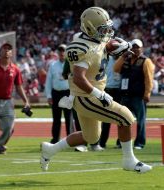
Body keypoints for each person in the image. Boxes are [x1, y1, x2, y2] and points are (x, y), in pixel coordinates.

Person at [40, 7, 152, 173]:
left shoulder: (96, 40)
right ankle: (129, 160)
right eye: (102, 29)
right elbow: (79, 77)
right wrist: (99, 94)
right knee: (126, 117)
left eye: (107, 28)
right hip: (87, 96)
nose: (107, 32)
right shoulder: (81, 48)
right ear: (90, 28)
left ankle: (51, 149)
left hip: (89, 95)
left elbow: (106, 45)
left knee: (91, 137)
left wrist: (123, 45)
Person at [114, 39, 155, 149]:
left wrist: (147, 93)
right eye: (133, 47)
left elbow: (149, 79)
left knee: (140, 121)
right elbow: (115, 69)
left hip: (138, 96)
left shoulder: (146, 61)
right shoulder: (125, 59)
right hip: (125, 95)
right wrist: (123, 56)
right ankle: (121, 142)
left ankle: (139, 143)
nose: (135, 49)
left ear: (142, 48)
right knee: (122, 119)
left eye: (137, 47)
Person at [45, 44, 72, 144]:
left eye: (63, 50)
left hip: (67, 93)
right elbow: (48, 81)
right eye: (60, 50)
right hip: (56, 93)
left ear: (66, 52)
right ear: (57, 52)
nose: (61, 52)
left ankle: (70, 139)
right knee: (56, 118)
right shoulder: (52, 65)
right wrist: (48, 96)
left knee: (69, 118)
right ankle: (55, 139)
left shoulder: (71, 64)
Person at [98, 55, 122, 149]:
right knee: (106, 118)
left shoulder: (123, 59)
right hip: (108, 90)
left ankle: (120, 142)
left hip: (120, 90)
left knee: (120, 117)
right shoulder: (106, 60)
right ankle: (102, 142)